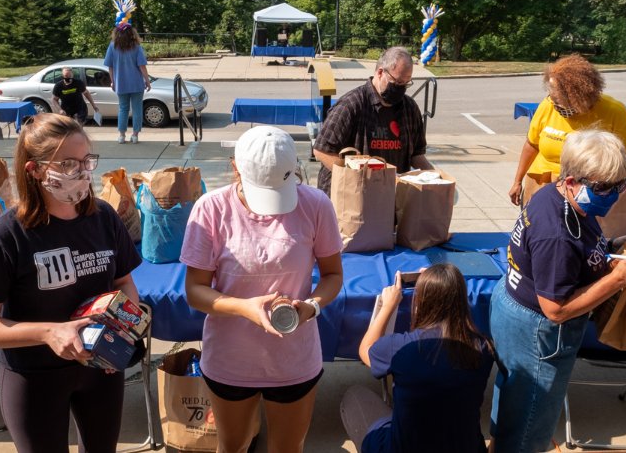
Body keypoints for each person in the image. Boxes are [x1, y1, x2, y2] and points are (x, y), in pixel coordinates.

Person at [0, 113, 142, 453]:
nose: (83, 173)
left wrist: (123, 324)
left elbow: (124, 282)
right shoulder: (4, 237)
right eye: (69, 164)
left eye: (87, 161)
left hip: (100, 369)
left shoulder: (103, 218)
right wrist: (48, 332)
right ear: (35, 170)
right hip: (34, 376)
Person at [182, 125, 345, 453]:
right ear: (234, 168)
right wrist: (245, 308)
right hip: (231, 360)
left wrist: (311, 306)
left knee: (288, 447)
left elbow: (332, 275)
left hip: (294, 360)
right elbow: (195, 290)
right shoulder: (212, 208)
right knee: (233, 445)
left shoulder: (315, 205)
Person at [490, 129, 626, 453]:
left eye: (622, 184)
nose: (615, 194)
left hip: (517, 308)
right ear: (573, 180)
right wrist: (618, 279)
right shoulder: (557, 235)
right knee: (529, 427)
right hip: (538, 329)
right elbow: (556, 310)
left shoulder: (558, 195)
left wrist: (609, 252)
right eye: (605, 187)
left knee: (513, 405)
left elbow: (576, 252)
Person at [341, 263, 495, 453]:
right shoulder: (483, 348)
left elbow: (366, 350)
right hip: (464, 446)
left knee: (354, 397)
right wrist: (439, 280)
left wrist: (388, 306)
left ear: (420, 302)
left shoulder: (403, 347)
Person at [508, 54, 626, 206]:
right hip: (543, 186)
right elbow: (532, 144)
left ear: (580, 96)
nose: (552, 100)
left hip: (588, 195)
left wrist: (600, 181)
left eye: (558, 98)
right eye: (550, 91)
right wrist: (517, 181)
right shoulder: (547, 105)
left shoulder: (614, 111)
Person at [313, 47, 433, 193]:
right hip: (351, 198)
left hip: (389, 197)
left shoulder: (409, 108)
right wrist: (356, 178)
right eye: (397, 82)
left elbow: (417, 155)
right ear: (380, 72)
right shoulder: (351, 104)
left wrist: (436, 180)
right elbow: (321, 150)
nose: (401, 88)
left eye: (406, 83)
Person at [103, 23, 151, 144]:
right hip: (136, 83)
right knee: (137, 109)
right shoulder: (136, 47)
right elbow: (142, 66)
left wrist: (113, 81)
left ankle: (121, 135)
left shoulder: (112, 46)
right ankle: (135, 135)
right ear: (132, 33)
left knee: (123, 109)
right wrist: (147, 80)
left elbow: (110, 67)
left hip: (121, 83)